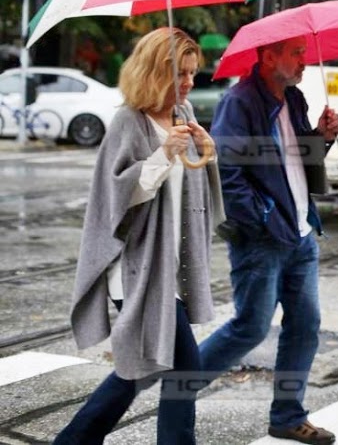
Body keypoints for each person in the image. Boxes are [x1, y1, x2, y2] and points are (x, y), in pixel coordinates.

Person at [53, 28, 223, 445]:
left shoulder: (183, 114)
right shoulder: (128, 121)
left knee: (144, 365)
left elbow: (194, 193)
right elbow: (115, 197)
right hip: (135, 267)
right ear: (155, 72)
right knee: (183, 367)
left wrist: (207, 151)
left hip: (171, 266)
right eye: (181, 73)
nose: (189, 82)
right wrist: (163, 155)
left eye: (193, 73)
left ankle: (74, 440)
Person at [198, 35, 338, 445]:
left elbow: (300, 162)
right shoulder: (239, 102)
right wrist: (262, 220)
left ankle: (288, 416)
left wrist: (322, 136)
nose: (304, 61)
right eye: (296, 53)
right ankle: (180, 384)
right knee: (250, 328)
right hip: (262, 240)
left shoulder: (294, 99)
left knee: (305, 325)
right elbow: (227, 173)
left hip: (300, 234)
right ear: (268, 56)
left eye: (304, 53)